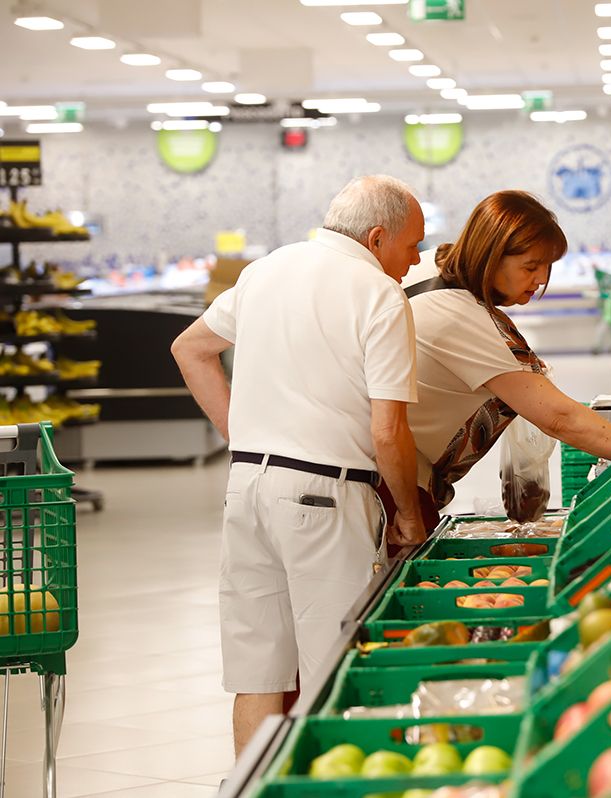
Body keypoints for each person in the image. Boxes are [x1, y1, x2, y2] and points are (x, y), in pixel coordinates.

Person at [171, 175, 427, 757]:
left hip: (247, 491)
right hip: (326, 501)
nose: (415, 260)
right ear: (378, 236)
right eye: (412, 245)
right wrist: (409, 516)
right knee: (332, 675)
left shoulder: (267, 269)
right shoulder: (378, 294)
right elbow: (388, 431)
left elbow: (191, 349)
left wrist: (245, 438)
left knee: (259, 674)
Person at [388, 190, 611, 518]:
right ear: (490, 255)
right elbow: (560, 418)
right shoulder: (460, 316)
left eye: (547, 266)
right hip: (396, 490)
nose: (542, 279)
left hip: (386, 471)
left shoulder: (439, 262)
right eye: (531, 266)